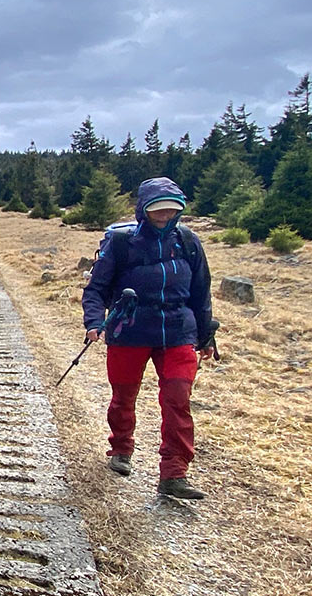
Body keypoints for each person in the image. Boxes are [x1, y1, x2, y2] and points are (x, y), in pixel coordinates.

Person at [82, 176, 218, 500]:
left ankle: (174, 473)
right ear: (143, 209)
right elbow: (96, 289)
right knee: (124, 396)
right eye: (157, 209)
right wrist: (93, 322)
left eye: (171, 210)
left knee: (177, 399)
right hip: (128, 330)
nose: (164, 215)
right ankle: (121, 449)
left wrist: (206, 335)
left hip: (177, 331)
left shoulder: (188, 242)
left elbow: (201, 292)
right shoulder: (120, 243)